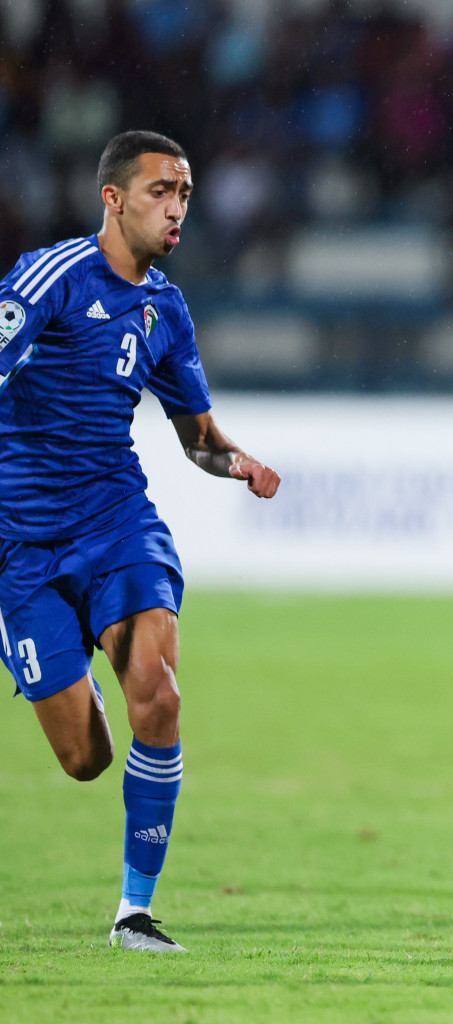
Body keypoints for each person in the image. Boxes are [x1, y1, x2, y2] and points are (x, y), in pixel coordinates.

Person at [0, 131, 280, 952]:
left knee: (158, 693)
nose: (178, 207)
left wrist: (236, 462)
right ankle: (50, 651)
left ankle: (135, 913)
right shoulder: (46, 279)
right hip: (21, 544)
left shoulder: (165, 308)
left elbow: (196, 434)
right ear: (113, 200)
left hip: (118, 522)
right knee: (85, 758)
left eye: (186, 193)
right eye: (162, 191)